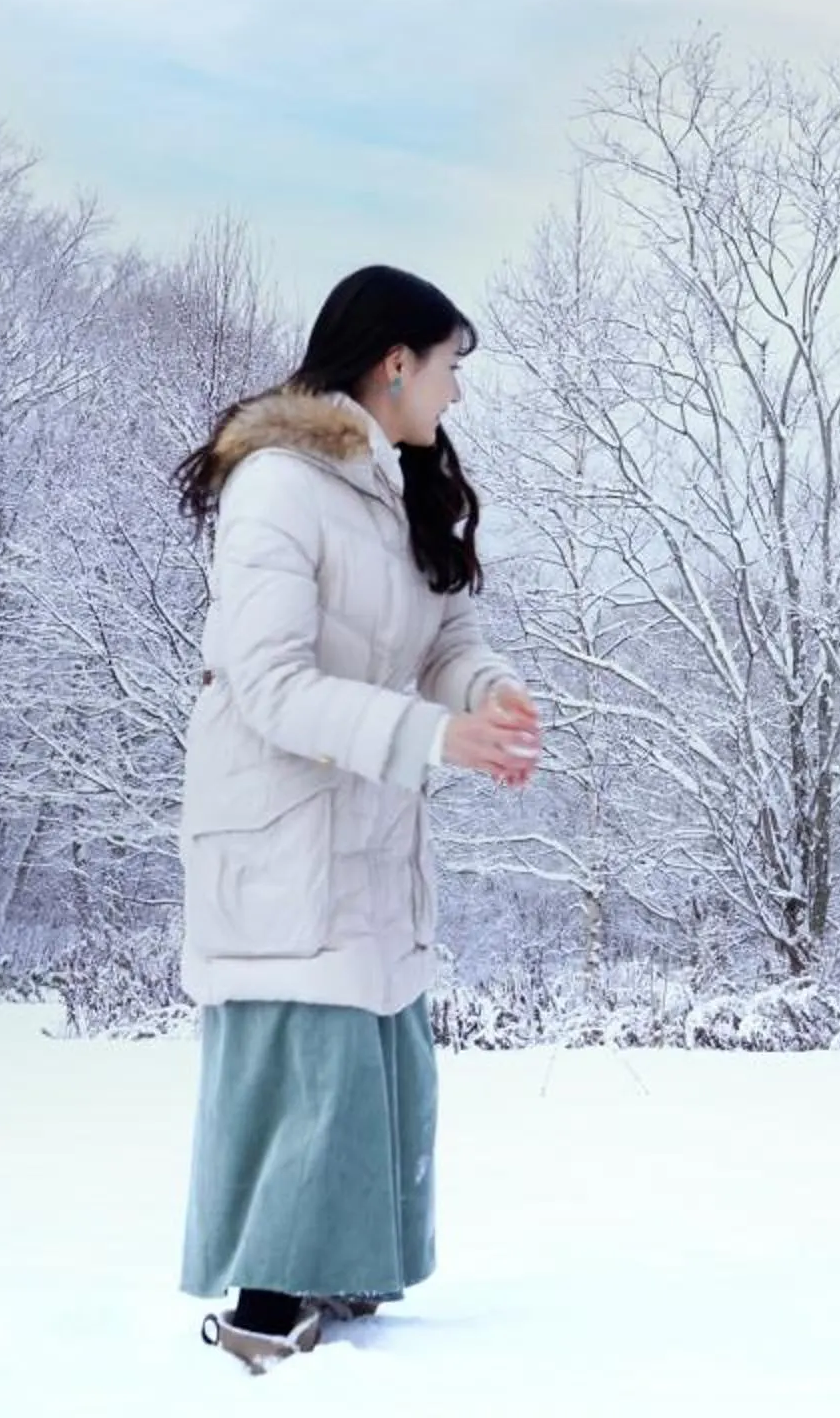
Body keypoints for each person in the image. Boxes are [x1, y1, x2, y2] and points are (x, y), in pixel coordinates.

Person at [167, 264, 543, 1371]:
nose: (456, 392)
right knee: (307, 1044)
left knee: (373, 1035)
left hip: (371, 819)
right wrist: (432, 736)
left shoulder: (403, 489)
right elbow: (270, 682)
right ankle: (265, 1307)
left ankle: (339, 1269)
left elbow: (445, 641)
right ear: (394, 363)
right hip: (283, 821)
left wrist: (486, 695)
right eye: (450, 366)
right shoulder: (279, 486)